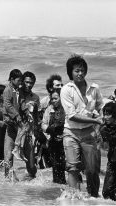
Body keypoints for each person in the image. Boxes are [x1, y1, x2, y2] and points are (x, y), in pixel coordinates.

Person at [60, 54, 104, 197]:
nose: (80, 73)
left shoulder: (94, 88)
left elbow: (100, 106)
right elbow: (72, 115)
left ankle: (94, 197)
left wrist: (99, 123)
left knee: (92, 170)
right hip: (70, 132)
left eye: (82, 70)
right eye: (76, 71)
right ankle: (74, 198)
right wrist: (95, 121)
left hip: (89, 133)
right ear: (70, 73)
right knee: (72, 168)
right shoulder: (66, 89)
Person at [12, 71, 40, 180]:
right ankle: (9, 184)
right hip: (14, 129)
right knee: (9, 159)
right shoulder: (16, 94)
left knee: (31, 166)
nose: (29, 85)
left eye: (31, 83)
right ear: (22, 82)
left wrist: (37, 132)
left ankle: (30, 185)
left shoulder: (35, 98)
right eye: (27, 82)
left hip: (28, 131)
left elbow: (37, 116)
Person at [38, 74, 63, 169]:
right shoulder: (45, 101)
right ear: (50, 87)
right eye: (57, 85)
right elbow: (40, 119)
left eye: (61, 85)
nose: (60, 87)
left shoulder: (65, 100)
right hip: (48, 135)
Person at [42, 88, 66, 184]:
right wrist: (49, 129)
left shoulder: (68, 108)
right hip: (53, 142)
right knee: (56, 167)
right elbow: (43, 124)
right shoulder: (49, 109)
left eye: (56, 98)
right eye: (52, 99)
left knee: (70, 167)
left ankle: (76, 188)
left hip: (66, 142)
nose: (53, 101)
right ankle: (57, 188)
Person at [2, 69, 22, 180]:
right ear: (12, 79)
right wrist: (17, 116)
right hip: (12, 122)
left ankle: (9, 177)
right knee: (8, 154)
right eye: (18, 80)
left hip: (15, 123)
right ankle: (7, 178)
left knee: (12, 153)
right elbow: (8, 105)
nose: (20, 82)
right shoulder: (8, 90)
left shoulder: (16, 89)